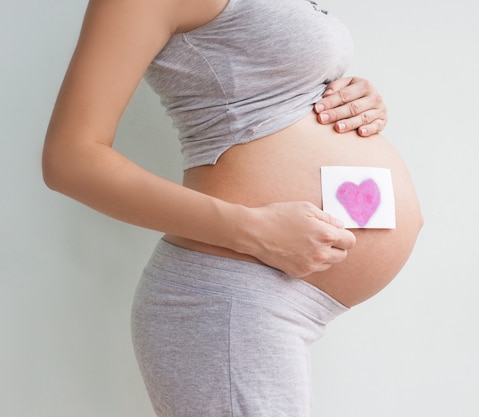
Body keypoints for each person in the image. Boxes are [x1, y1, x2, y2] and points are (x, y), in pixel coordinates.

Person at [42, 0, 423, 415]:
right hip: (229, 300)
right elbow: (70, 159)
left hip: (265, 302)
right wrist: (254, 230)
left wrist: (354, 97)